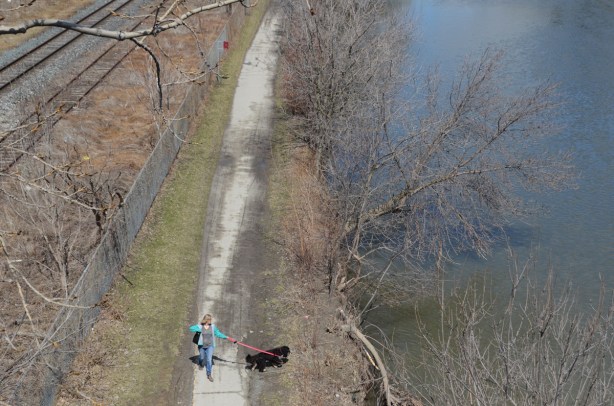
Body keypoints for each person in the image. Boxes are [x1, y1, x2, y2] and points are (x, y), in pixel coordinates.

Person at [189, 314, 237, 382]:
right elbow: (191, 328)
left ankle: (209, 374)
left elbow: (218, 334)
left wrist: (228, 338)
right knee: (202, 357)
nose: (210, 321)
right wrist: (200, 329)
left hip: (210, 346)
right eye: (209, 320)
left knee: (209, 359)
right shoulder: (200, 327)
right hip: (201, 346)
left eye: (210, 320)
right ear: (206, 320)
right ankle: (200, 364)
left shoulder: (213, 327)